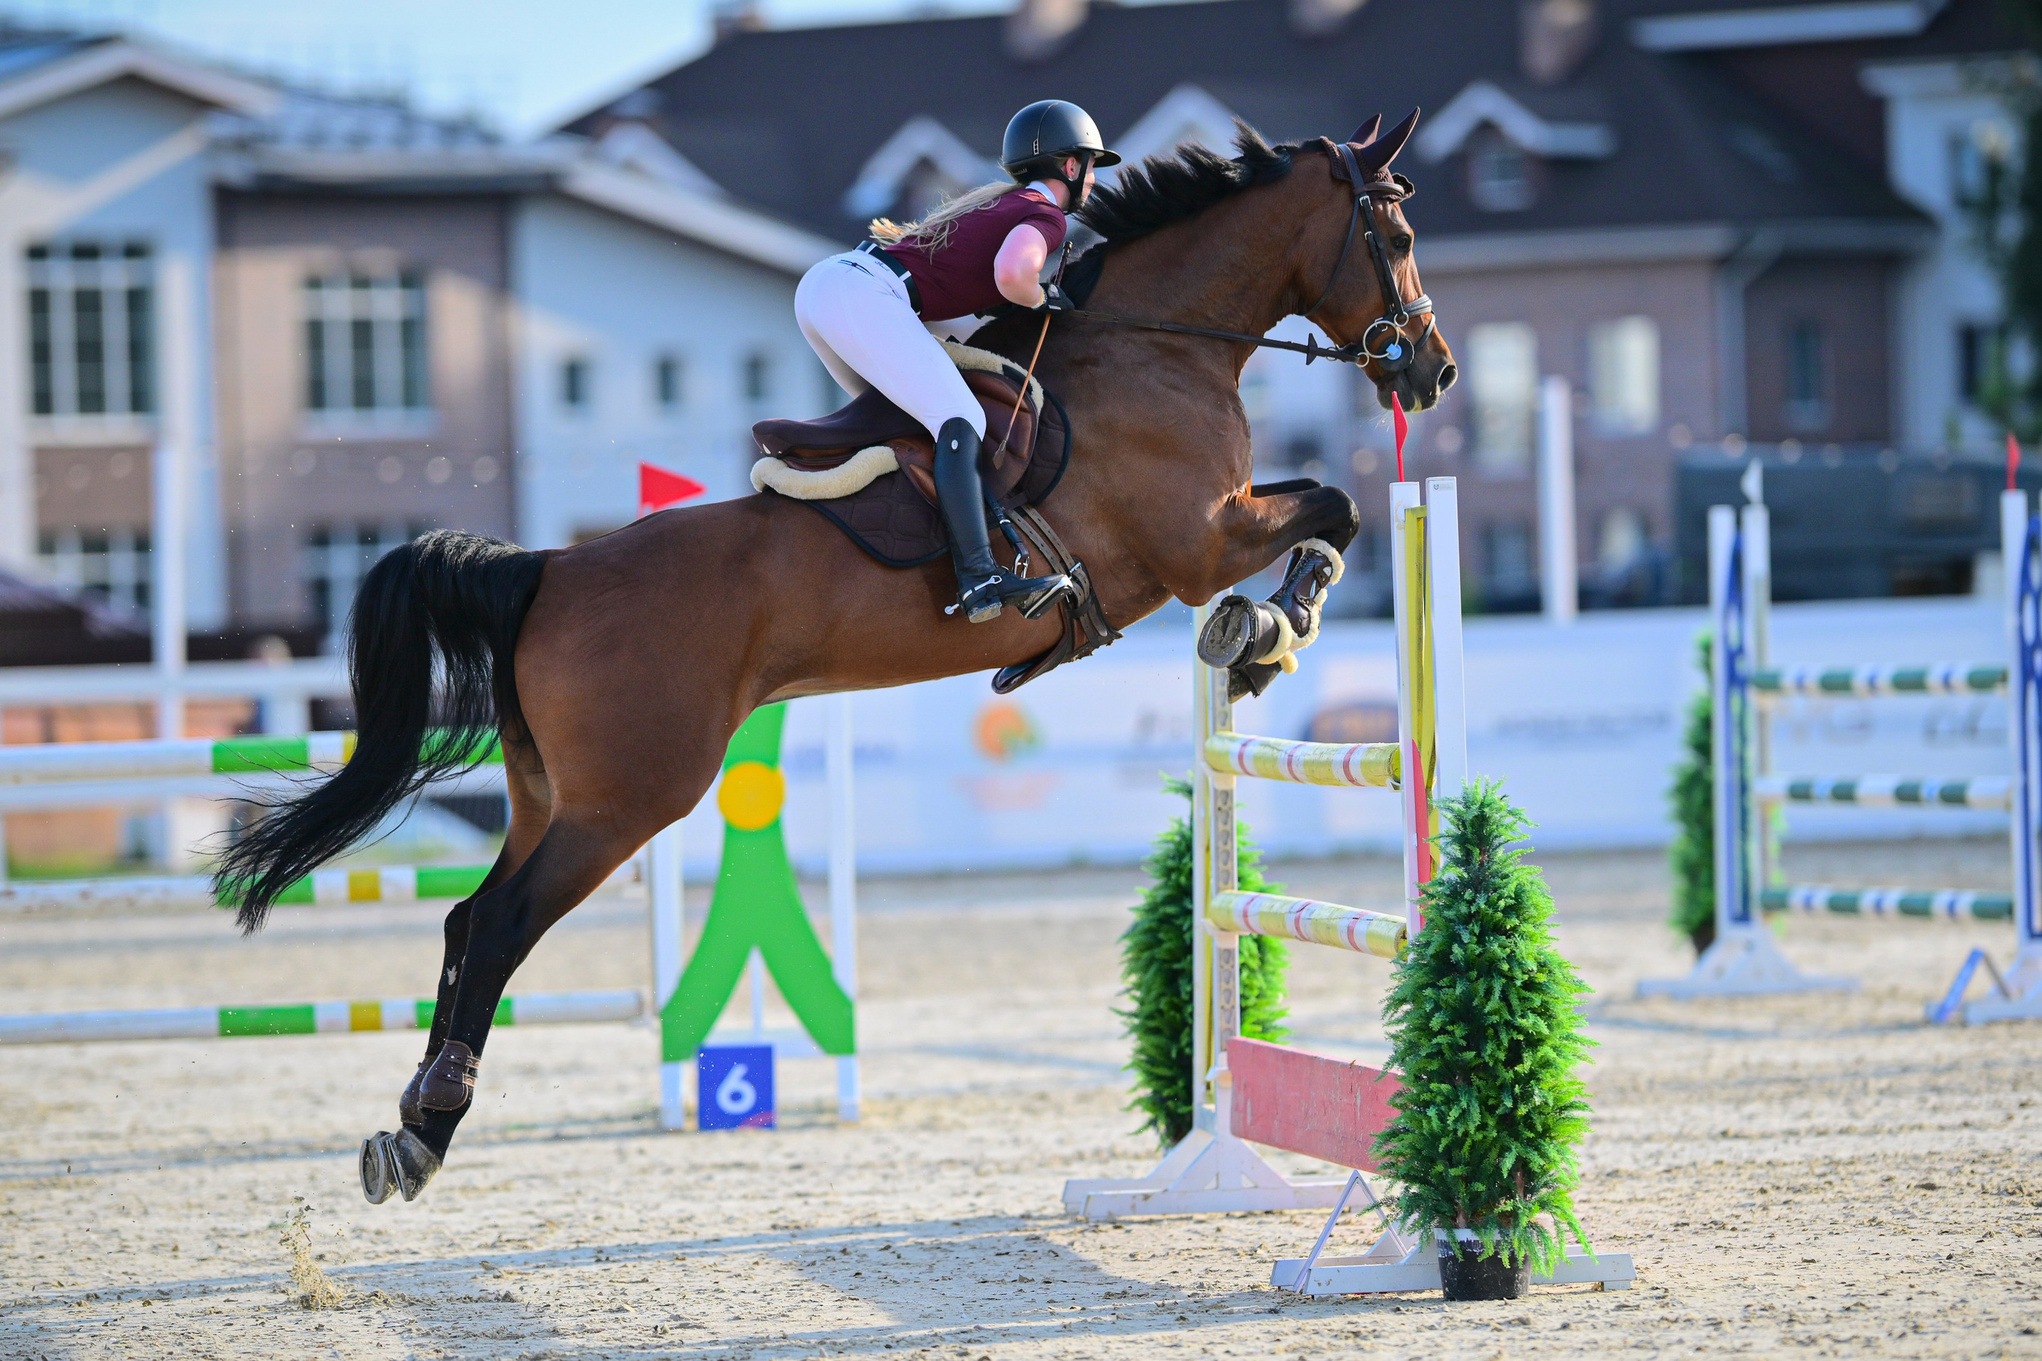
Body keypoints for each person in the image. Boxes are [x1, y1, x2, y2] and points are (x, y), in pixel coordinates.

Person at [794, 100, 1120, 624]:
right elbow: (1016, 275)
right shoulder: (1045, 214)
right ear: (1071, 166)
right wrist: (1044, 300)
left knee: (904, 426)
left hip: (828, 287)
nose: (1095, 182)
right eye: (1093, 168)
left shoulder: (1000, 205)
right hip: (863, 294)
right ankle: (979, 576)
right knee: (960, 419)